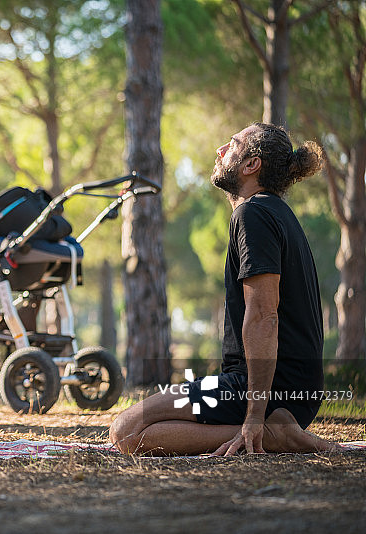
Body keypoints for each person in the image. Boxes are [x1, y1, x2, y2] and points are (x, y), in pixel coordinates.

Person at [109, 123, 343, 456]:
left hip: (262, 389)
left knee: (126, 431)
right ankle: (276, 430)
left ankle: (272, 434)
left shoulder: (253, 213)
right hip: (292, 393)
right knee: (137, 429)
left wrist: (254, 416)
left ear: (252, 165)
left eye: (232, 145)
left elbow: (263, 316)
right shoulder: (274, 212)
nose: (220, 150)